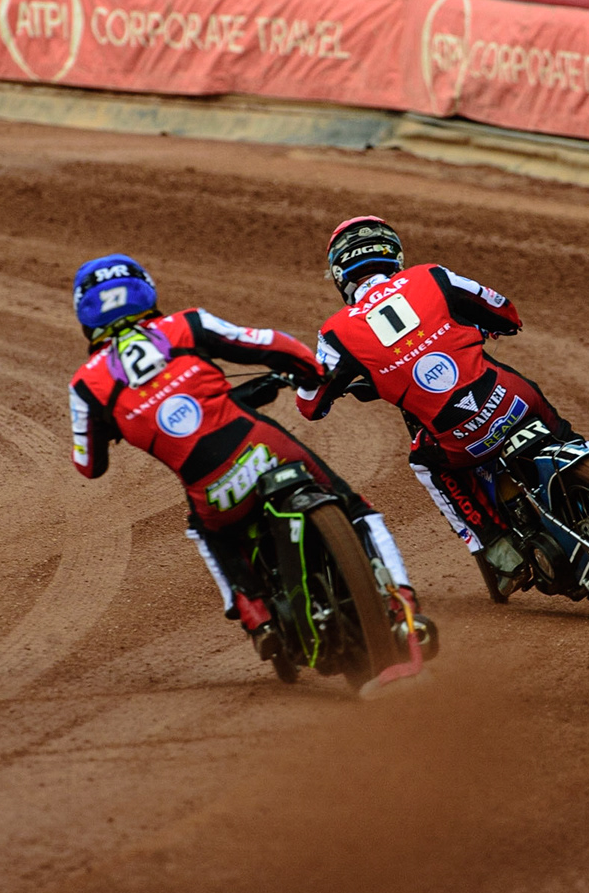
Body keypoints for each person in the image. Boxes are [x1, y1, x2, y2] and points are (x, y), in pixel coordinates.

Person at [64, 254, 423, 660]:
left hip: (212, 491)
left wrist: (116, 424)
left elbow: (88, 466)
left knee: (208, 532)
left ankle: (256, 615)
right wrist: (310, 371)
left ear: (85, 312)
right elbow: (270, 344)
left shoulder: (85, 387)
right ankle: (403, 605)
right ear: (144, 290)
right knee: (356, 508)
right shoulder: (187, 324)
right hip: (263, 448)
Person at [295, 216, 580, 594]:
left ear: (339, 275)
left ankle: (498, 549)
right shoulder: (431, 275)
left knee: (425, 462)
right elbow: (505, 311)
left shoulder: (335, 332)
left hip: (459, 439)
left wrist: (333, 386)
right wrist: (493, 326)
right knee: (550, 417)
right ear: (394, 256)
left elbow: (310, 405)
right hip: (514, 400)